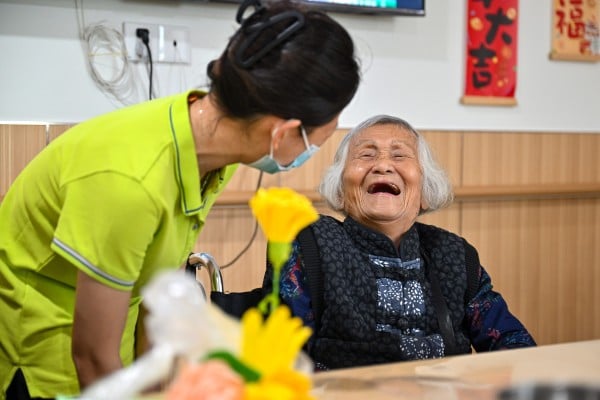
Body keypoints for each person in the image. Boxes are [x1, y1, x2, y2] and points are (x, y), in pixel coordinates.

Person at [0, 0, 360, 398]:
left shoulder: (205, 148)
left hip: (110, 360)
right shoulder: (131, 181)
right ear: (282, 133)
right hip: (42, 365)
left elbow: (155, 287)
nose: (317, 148)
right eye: (322, 138)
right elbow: (91, 356)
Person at [263, 114, 536, 371]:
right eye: (366, 154)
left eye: (399, 155)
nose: (382, 165)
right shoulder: (310, 243)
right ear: (342, 191)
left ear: (424, 192)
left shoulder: (455, 255)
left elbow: (515, 348)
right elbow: (281, 360)